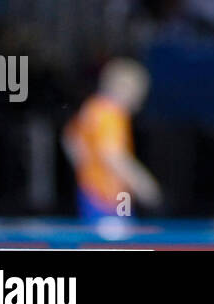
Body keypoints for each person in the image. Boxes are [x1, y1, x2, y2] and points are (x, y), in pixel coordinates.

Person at [62, 57, 162, 220]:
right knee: (121, 241)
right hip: (110, 195)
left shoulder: (91, 107)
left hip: (91, 191)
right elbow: (113, 156)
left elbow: (70, 139)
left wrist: (86, 168)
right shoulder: (111, 115)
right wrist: (143, 185)